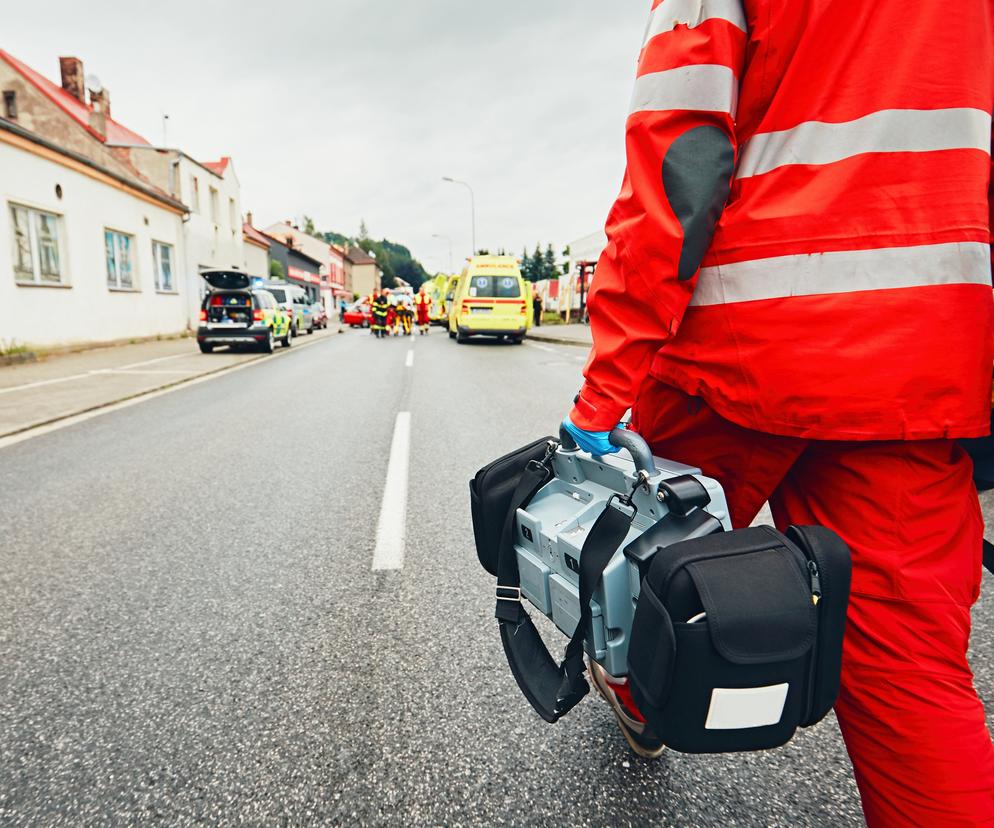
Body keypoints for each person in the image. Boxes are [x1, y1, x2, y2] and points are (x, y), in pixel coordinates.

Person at [562, 2, 994, 824]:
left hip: (739, 351)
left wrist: (606, 387)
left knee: (640, 556)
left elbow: (677, 158)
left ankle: (644, 692)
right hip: (916, 357)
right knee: (912, 680)